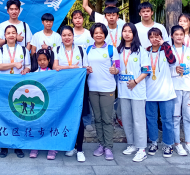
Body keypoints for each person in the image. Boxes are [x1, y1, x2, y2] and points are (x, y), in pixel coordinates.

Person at [54, 26, 92, 162]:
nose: (67, 37)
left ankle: (80, 149)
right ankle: (71, 146)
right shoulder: (57, 50)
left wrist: (87, 69)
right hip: (63, 89)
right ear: (61, 37)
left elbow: (86, 69)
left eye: (69, 35)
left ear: (73, 36)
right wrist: (73, 67)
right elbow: (55, 67)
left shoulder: (81, 50)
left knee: (79, 118)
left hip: (78, 89)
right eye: (64, 35)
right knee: (66, 118)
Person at [0, 25, 31, 158]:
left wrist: (24, 70)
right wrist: (14, 64)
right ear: (5, 36)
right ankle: (3, 146)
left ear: (17, 35)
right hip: (4, 86)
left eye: (13, 33)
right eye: (8, 33)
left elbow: (28, 66)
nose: (11, 35)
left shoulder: (23, 49)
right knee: (4, 115)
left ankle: (18, 146)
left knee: (18, 115)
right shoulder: (0, 50)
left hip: (19, 86)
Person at [117, 23, 150, 162]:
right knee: (126, 119)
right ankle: (131, 144)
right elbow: (116, 68)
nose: (127, 34)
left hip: (137, 90)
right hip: (123, 90)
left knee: (139, 120)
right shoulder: (118, 50)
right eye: (124, 31)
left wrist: (135, 81)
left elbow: (146, 70)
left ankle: (142, 148)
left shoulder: (141, 51)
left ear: (134, 34)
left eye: (130, 31)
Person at [86, 23, 119, 161]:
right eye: (96, 33)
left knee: (107, 119)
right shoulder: (88, 49)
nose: (98, 35)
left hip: (108, 88)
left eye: (101, 32)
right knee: (97, 119)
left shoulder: (112, 49)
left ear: (105, 34)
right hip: (92, 88)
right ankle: (101, 144)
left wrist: (115, 70)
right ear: (92, 35)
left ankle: (108, 147)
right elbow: (84, 66)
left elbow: (117, 67)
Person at [145, 28, 177, 158]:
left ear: (161, 37)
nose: (154, 39)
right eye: (151, 37)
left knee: (167, 120)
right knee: (151, 119)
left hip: (166, 92)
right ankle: (153, 142)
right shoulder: (145, 52)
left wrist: (165, 44)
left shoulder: (166, 49)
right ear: (149, 39)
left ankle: (168, 144)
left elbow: (172, 61)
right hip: (149, 92)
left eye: (157, 36)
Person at [171, 25, 190, 156]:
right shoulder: (168, 51)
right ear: (172, 36)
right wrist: (174, 70)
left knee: (188, 118)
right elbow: (164, 70)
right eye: (176, 34)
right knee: (175, 117)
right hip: (174, 89)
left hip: (188, 89)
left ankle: (188, 143)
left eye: (181, 34)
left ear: (184, 36)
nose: (178, 37)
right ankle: (177, 144)